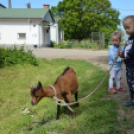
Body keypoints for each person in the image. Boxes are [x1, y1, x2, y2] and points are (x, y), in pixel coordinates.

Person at [118, 15, 134, 108]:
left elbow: (132, 52)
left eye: (128, 27)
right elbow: (127, 49)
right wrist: (123, 56)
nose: (126, 30)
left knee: (133, 84)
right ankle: (132, 100)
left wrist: (123, 54)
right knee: (130, 84)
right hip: (129, 67)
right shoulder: (129, 39)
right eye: (125, 28)